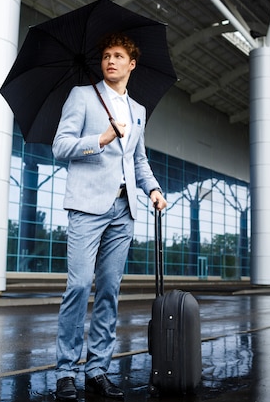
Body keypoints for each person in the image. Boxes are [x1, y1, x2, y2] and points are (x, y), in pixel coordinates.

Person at [51, 32, 167, 401]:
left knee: (109, 293)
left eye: (118, 56)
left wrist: (153, 189)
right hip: (86, 206)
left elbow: (138, 160)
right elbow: (60, 146)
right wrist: (98, 140)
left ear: (131, 64)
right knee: (79, 286)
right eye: (105, 56)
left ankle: (97, 368)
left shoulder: (138, 111)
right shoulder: (82, 96)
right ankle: (66, 371)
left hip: (124, 209)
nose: (110, 61)